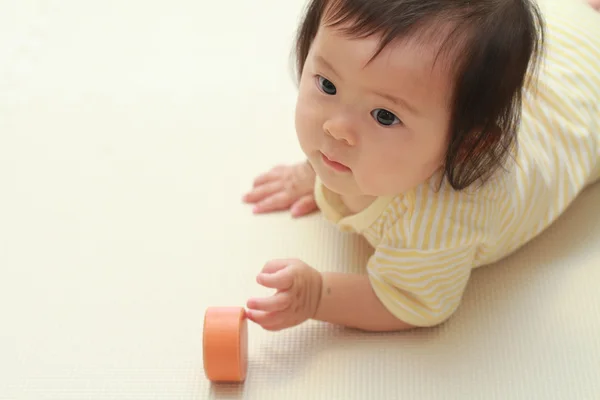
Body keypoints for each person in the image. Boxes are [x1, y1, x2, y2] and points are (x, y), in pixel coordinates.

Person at [242, 0, 600, 332]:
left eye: (384, 116)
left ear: (466, 147)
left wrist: (318, 296)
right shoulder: (387, 121)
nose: (335, 128)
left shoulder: (437, 221)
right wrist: (311, 171)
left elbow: (408, 301)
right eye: (328, 85)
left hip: (587, 93)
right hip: (563, 29)